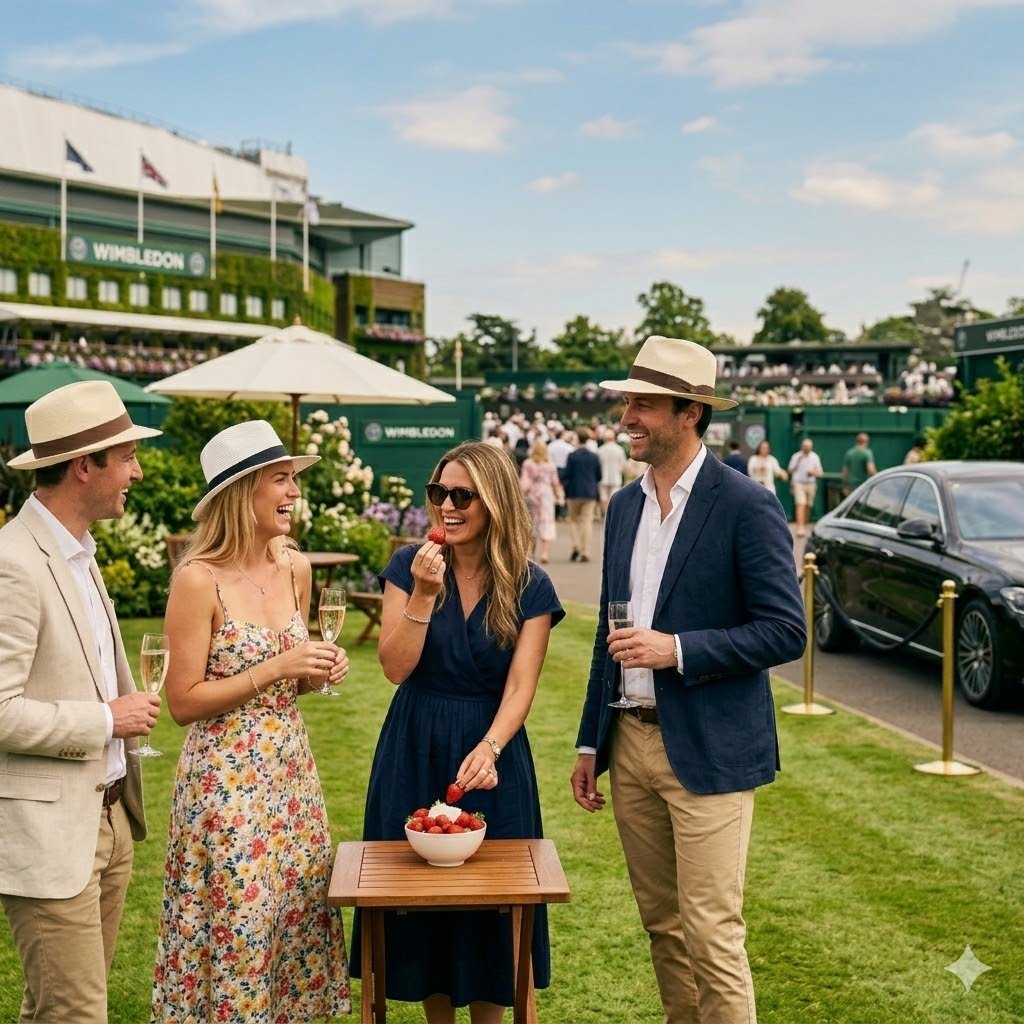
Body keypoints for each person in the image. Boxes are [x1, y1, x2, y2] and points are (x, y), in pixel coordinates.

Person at [570, 335, 806, 1024]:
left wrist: (676, 650)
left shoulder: (744, 504)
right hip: (632, 745)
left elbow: (785, 631)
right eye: (627, 402)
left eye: (643, 404)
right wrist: (592, 743)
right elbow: (607, 636)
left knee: (711, 934)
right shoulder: (623, 507)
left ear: (690, 412)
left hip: (710, 751)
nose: (626, 418)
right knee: (663, 928)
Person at [352, 440, 564, 1023]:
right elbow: (395, 666)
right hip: (415, 743)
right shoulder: (408, 566)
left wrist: (491, 746)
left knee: (497, 916)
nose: (446, 505)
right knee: (421, 912)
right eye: (438, 492)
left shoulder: (530, 585)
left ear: (492, 502)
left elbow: (521, 687)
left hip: (492, 753)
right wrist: (423, 594)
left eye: (462, 495)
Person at [151, 420, 351, 1022]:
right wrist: (279, 666)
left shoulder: (296, 567)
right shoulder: (196, 580)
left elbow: (292, 677)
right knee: (239, 923)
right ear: (243, 491)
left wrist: (315, 670)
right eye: (281, 480)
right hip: (225, 782)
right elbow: (183, 702)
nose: (294, 493)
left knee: (293, 917)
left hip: (290, 772)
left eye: (294, 480)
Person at [0, 380, 164, 1023]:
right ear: (83, 465)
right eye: (126, 456)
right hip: (53, 836)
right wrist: (106, 721)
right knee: (74, 1016)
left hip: (109, 819)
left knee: (56, 1012)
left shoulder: (80, 554)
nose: (137, 471)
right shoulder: (14, 562)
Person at [520, 437, 564, 564]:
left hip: (532, 495)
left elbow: (524, 482)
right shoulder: (550, 465)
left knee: (531, 524)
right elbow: (555, 482)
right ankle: (544, 553)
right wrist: (558, 495)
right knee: (546, 522)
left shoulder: (528, 463)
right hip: (546, 495)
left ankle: (531, 552)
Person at [561, 427, 602, 562]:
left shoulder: (572, 456)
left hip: (573, 491)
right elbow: (599, 475)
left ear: (577, 439)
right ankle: (586, 551)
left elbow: (566, 474)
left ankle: (576, 545)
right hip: (589, 492)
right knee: (587, 521)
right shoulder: (594, 456)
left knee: (572, 520)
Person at [787, 438, 824, 537]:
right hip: (798, 483)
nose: (806, 448)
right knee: (801, 504)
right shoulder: (796, 456)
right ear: (802, 447)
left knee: (808, 505)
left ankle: (804, 523)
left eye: (808, 447)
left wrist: (813, 473)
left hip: (810, 484)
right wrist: (798, 462)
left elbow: (820, 472)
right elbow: (790, 470)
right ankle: (800, 527)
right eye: (805, 446)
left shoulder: (815, 457)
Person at [597, 427, 628, 516]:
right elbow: (623, 464)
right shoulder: (619, 449)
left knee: (604, 499)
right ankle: (613, 515)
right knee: (614, 498)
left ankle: (606, 515)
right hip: (616, 477)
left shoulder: (600, 450)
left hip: (603, 477)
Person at [841, 431, 877, 495]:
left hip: (851, 486)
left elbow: (845, 471)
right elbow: (871, 470)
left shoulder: (849, 453)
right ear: (866, 442)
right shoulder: (867, 453)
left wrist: (845, 485)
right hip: (863, 487)